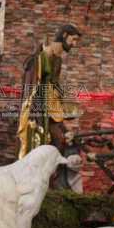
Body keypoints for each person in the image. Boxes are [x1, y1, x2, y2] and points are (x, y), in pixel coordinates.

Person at [18, 24, 82, 190]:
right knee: (38, 149)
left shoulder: (57, 60)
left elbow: (54, 87)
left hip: (51, 112)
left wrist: (63, 110)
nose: (74, 44)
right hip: (37, 113)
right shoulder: (40, 58)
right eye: (73, 39)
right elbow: (31, 88)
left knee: (59, 142)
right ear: (64, 35)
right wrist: (36, 115)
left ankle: (51, 186)